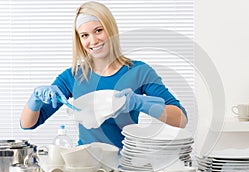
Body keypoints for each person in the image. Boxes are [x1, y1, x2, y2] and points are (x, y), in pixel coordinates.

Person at [20, 1, 188, 149]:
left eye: (98, 30)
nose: (93, 41)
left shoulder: (139, 72)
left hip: (127, 165)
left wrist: (140, 103)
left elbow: (181, 118)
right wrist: (35, 99)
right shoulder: (73, 76)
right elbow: (28, 124)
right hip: (86, 164)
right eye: (85, 35)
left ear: (111, 30)